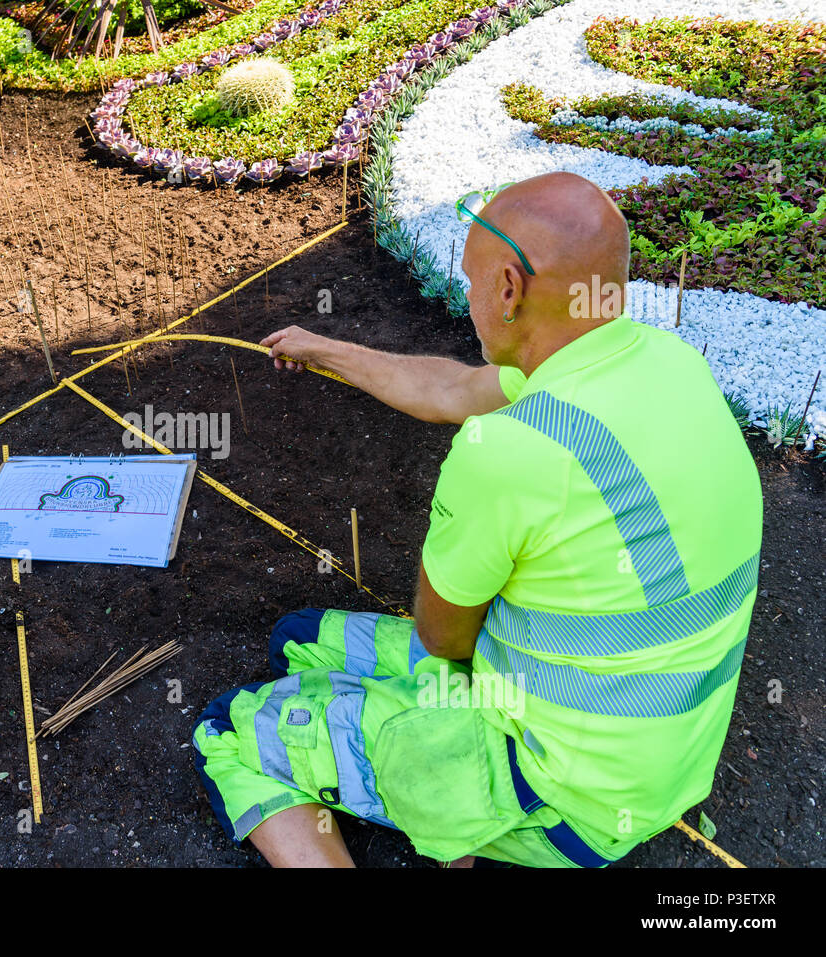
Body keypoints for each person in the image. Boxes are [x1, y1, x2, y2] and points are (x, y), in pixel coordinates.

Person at [193, 171, 762, 867]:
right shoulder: (664, 362)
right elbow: (451, 387)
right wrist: (320, 348)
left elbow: (442, 639)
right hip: (657, 759)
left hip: (563, 798)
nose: (466, 298)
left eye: (470, 280)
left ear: (508, 290)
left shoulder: (509, 452)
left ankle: (459, 816)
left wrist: (421, 708)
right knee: (298, 638)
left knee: (231, 723)